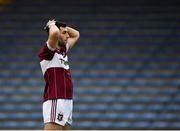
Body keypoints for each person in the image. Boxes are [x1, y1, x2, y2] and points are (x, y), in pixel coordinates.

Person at [38, 19, 80, 130]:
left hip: (67, 100)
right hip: (55, 100)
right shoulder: (48, 52)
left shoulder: (62, 50)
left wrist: (63, 27)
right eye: (64, 33)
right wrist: (51, 24)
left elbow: (76, 34)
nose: (68, 35)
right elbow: (54, 33)